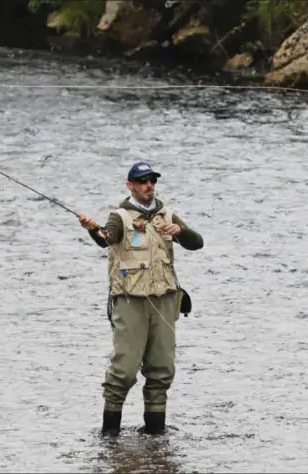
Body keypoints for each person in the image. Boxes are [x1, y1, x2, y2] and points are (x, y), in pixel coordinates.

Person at [78, 161, 204, 436]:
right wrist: (91, 228)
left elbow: (197, 243)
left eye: (152, 181)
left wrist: (179, 232)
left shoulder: (167, 215)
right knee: (123, 372)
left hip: (166, 301)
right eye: (143, 181)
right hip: (131, 302)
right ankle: (109, 436)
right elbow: (105, 238)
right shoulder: (120, 217)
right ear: (130, 186)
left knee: (161, 369)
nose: (149, 185)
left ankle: (155, 433)